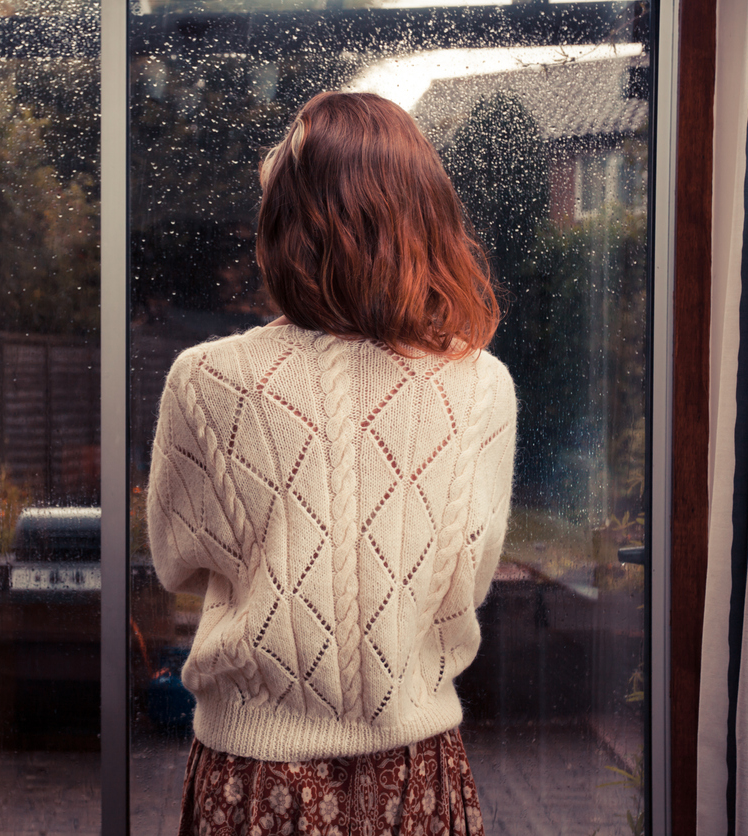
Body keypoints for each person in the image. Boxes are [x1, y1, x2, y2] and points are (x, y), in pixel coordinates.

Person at [145, 91, 517, 835]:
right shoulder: (480, 384)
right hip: (415, 772)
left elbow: (174, 561)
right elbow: (465, 581)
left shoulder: (207, 379)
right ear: (424, 221)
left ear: (286, 229)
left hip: (255, 775)